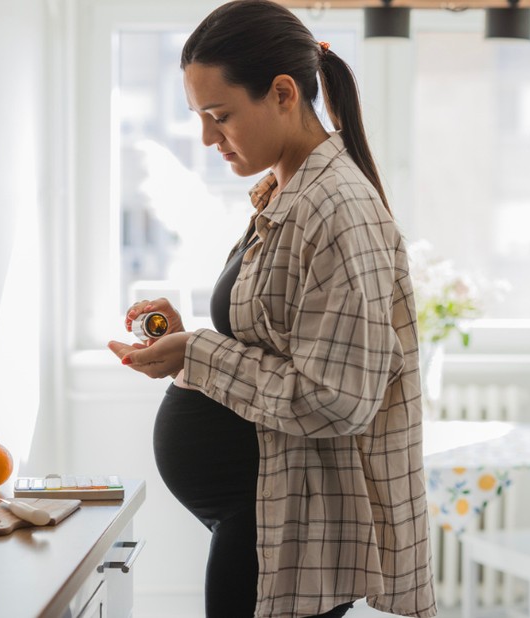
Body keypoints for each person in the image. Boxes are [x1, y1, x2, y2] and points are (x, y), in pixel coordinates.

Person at [107, 1, 437, 616]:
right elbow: (276, 347)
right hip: (263, 514)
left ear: (283, 92)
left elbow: (336, 397)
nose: (207, 137)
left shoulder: (336, 209)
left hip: (288, 523)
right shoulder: (288, 192)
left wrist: (197, 353)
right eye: (200, 117)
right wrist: (185, 341)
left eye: (219, 115)